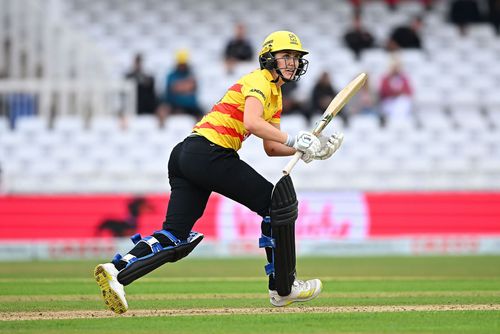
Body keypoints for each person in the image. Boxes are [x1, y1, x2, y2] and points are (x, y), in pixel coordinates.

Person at [94, 30, 344, 314]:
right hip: (208, 152)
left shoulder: (275, 96)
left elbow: (271, 148)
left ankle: (116, 270)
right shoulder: (259, 81)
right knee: (276, 206)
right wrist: (294, 139)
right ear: (268, 58)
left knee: (176, 235)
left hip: (186, 155)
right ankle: (283, 288)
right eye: (286, 56)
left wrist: (312, 150)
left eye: (296, 58)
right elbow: (251, 122)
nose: (292, 62)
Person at [162, 49, 204, 120]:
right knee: (162, 110)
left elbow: (193, 86)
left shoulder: (192, 74)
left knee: (204, 117)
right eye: (181, 64)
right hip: (174, 106)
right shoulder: (171, 75)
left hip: (191, 107)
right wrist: (187, 86)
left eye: (183, 64)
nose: (182, 66)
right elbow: (173, 88)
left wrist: (181, 86)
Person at [378, 57, 413, 122]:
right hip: (389, 101)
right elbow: (383, 92)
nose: (395, 69)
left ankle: (399, 124)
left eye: (397, 67)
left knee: (403, 102)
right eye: (394, 67)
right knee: (395, 108)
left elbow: (409, 91)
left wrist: (400, 93)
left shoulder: (404, 78)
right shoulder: (385, 78)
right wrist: (393, 93)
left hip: (400, 101)